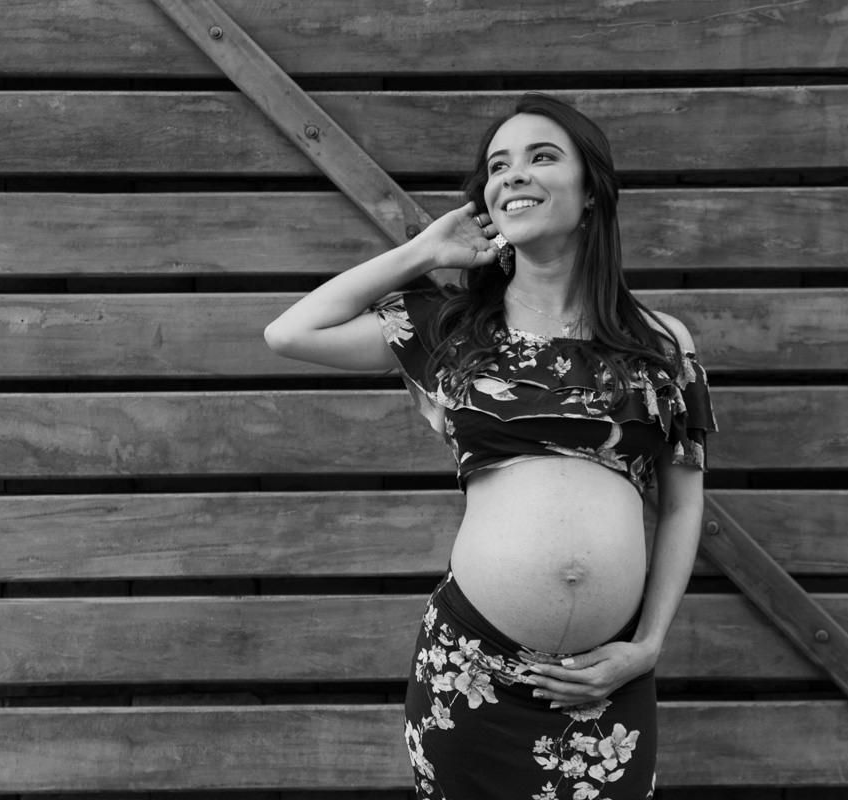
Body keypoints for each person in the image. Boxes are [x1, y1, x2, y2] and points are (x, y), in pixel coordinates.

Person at [263, 93, 717, 800]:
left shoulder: (660, 343)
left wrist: (647, 647)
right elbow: (290, 334)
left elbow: (684, 506)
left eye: (542, 157)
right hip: (469, 673)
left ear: (592, 191)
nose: (514, 176)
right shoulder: (451, 327)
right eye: (498, 167)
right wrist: (425, 249)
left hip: (605, 681)